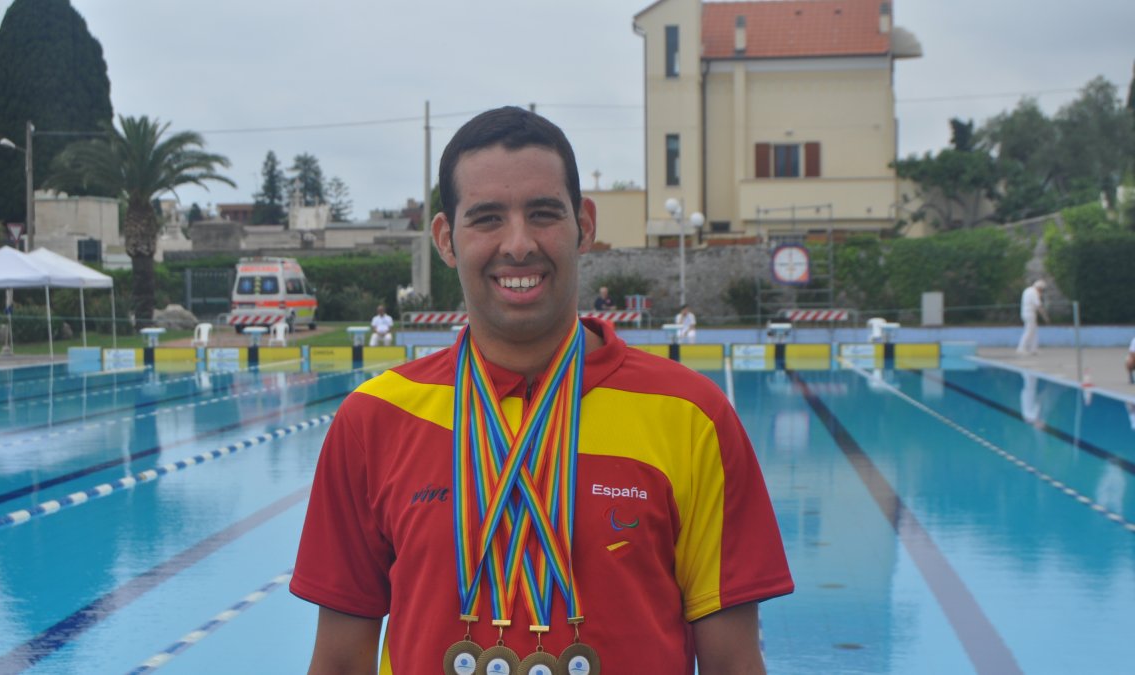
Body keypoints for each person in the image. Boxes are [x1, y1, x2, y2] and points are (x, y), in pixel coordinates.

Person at [292, 107, 793, 674]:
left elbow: (733, 664)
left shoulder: (692, 416)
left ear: (584, 223)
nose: (519, 244)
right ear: (445, 238)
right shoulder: (374, 420)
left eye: (543, 213)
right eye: (486, 219)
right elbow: (338, 662)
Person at [1016, 279, 1049, 355]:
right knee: (1029, 331)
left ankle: (1033, 349)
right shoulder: (1034, 292)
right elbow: (1038, 305)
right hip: (1030, 313)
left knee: (1033, 331)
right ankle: (1021, 348)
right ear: (1040, 288)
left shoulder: (1027, 290)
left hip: (1025, 313)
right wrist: (1045, 316)